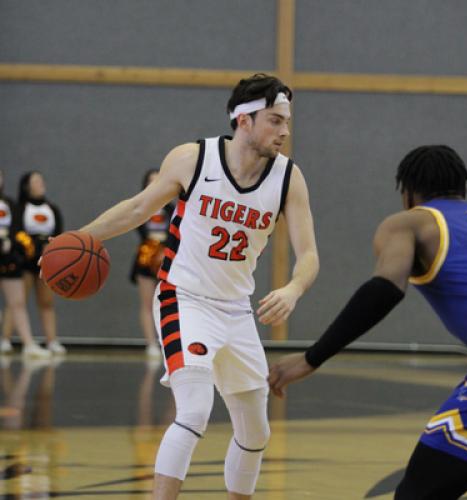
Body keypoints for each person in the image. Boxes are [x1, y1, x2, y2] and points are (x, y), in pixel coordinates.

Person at [69, 73, 319, 499]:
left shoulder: (288, 178)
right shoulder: (193, 158)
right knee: (195, 410)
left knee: (256, 431)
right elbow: (135, 209)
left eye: (286, 122)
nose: (285, 131)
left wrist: (293, 289)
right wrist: (78, 239)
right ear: (244, 119)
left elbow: (309, 255)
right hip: (183, 297)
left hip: (236, 308)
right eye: (275, 121)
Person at [269, 145, 467, 499]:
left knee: (416, 494)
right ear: (463, 188)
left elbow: (384, 289)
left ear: (407, 192)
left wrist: (311, 357)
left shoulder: (412, 221)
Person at [2, 171, 66, 355]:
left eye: (41, 180)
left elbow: (59, 235)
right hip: (26, 261)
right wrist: (30, 249)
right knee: (17, 301)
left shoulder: (52, 209)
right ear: (26, 186)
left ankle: (51, 341)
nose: (40, 184)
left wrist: (52, 250)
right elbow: (17, 233)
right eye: (35, 181)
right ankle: (5, 339)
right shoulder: (20, 208)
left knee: (47, 301)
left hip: (47, 261)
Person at [130, 169, 175, 358]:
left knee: (168, 303)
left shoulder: (172, 209)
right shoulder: (141, 209)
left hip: (167, 258)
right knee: (147, 303)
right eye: (151, 181)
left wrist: (164, 249)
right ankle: (151, 344)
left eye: (158, 180)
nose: (154, 184)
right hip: (146, 256)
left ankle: (169, 343)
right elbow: (137, 228)